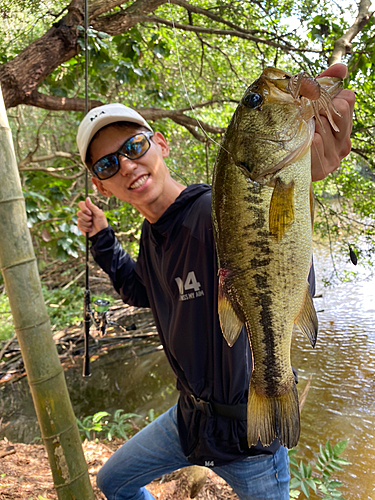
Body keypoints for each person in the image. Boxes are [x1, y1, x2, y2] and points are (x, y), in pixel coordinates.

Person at [76, 63, 355, 500]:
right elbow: (140, 291)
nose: (127, 164)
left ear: (161, 144)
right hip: (189, 422)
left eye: (134, 146)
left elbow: (279, 263)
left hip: (250, 438)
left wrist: (301, 187)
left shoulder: (211, 212)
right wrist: (102, 238)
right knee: (114, 480)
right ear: (102, 186)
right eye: (110, 163)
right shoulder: (154, 235)